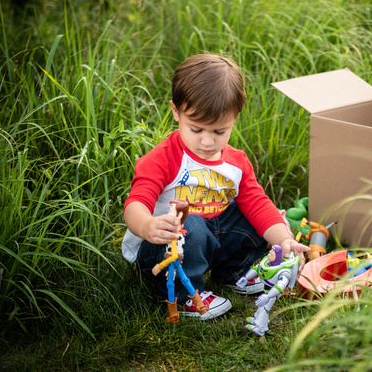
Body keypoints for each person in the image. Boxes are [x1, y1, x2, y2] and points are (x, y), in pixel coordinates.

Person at [121, 53, 310, 319]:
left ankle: (233, 273)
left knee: (261, 216)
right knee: (192, 223)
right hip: (161, 250)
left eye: (219, 132)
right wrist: (147, 226)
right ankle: (188, 295)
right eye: (196, 129)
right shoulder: (164, 158)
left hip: (206, 234)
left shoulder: (236, 163)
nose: (207, 142)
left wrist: (285, 241)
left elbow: (258, 204)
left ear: (234, 118)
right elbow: (135, 205)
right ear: (176, 111)